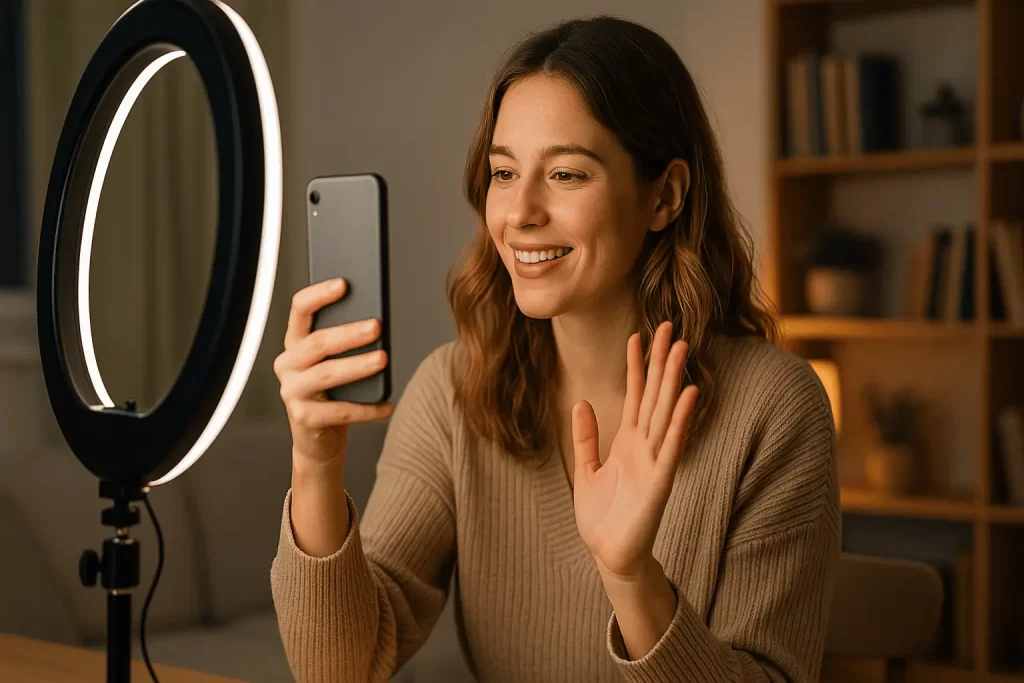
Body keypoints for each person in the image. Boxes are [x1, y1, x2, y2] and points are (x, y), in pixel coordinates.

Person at [271, 14, 840, 683]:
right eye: (504, 172)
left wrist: (630, 576)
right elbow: (336, 669)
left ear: (665, 196)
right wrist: (315, 461)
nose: (519, 213)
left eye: (567, 175)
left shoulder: (774, 407)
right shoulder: (453, 390)